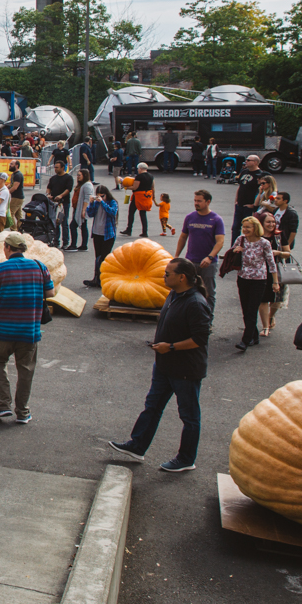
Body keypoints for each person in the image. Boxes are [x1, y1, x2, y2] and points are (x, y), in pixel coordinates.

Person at [108, 257, 212, 473]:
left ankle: (186, 459)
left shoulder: (196, 303)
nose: (163, 277)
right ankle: (137, 446)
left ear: (182, 277)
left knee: (189, 416)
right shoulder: (174, 295)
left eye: (167, 274)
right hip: (164, 365)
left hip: (185, 369)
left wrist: (171, 347)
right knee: (152, 406)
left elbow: (200, 339)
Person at [0, 233, 53, 425]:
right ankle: (23, 412)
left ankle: (3, 405)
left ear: (7, 248)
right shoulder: (39, 266)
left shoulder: (0, 268)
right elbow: (51, 292)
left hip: (3, 329)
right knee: (25, 370)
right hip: (29, 330)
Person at [229, 215, 277, 350]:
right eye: (244, 227)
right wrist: (236, 251)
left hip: (259, 280)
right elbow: (231, 254)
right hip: (243, 278)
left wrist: (275, 282)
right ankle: (254, 336)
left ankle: (246, 340)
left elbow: (271, 263)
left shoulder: (264, 243)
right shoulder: (241, 239)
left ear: (255, 228)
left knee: (252, 310)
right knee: (245, 310)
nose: (245, 230)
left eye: (248, 227)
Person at [176, 189, 226, 308]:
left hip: (208, 263)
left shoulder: (216, 219)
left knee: (208, 292)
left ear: (208, 202)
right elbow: (183, 237)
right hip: (191, 261)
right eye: (195, 200)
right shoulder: (190, 217)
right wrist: (177, 256)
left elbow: (220, 242)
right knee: (188, 290)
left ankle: (207, 320)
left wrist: (210, 257)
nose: (196, 203)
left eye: (199, 201)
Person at [83, 185, 119, 289]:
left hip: (108, 234)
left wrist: (102, 202)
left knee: (104, 258)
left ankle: (104, 279)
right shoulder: (97, 203)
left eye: (102, 196)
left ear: (106, 194)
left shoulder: (112, 202)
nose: (101, 198)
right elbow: (90, 214)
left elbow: (112, 212)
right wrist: (91, 203)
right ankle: (96, 278)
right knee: (97, 257)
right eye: (98, 196)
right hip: (97, 232)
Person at [231, 154, 263, 241]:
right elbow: (240, 187)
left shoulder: (260, 175)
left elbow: (261, 192)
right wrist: (236, 201)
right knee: (235, 228)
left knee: (250, 229)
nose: (246, 162)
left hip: (249, 207)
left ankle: (248, 247)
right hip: (239, 205)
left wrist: (254, 205)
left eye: (249, 160)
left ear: (255, 162)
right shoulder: (244, 171)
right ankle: (233, 249)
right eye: (246, 160)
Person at [120, 162, 154, 236]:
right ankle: (145, 232)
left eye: (138, 169)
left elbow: (135, 187)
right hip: (146, 196)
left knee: (131, 212)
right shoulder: (151, 176)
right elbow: (152, 187)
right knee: (143, 214)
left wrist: (126, 186)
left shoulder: (139, 177)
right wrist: (153, 197)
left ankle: (129, 229)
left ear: (140, 169)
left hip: (138, 196)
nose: (138, 170)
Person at [46, 161, 74, 250]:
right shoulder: (53, 178)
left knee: (64, 222)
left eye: (57, 167)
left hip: (64, 203)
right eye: (55, 167)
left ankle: (65, 242)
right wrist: (48, 194)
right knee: (55, 223)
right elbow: (49, 187)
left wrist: (61, 196)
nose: (55, 169)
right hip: (53, 203)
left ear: (62, 168)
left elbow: (69, 189)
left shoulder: (68, 178)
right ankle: (55, 241)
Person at [70, 168, 94, 252]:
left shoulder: (87, 185)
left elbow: (87, 199)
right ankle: (83, 245)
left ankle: (74, 245)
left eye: (79, 175)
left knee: (73, 225)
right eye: (77, 175)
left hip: (80, 209)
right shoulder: (81, 184)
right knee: (83, 226)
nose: (78, 177)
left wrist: (84, 210)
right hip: (77, 208)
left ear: (85, 175)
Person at [6, 160, 25, 228]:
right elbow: (11, 184)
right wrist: (5, 187)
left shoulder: (18, 175)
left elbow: (15, 187)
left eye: (11, 164)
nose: (10, 165)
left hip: (17, 197)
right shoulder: (14, 174)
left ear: (16, 166)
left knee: (10, 213)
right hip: (17, 197)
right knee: (19, 215)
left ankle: (14, 230)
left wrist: (6, 193)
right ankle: (21, 228)